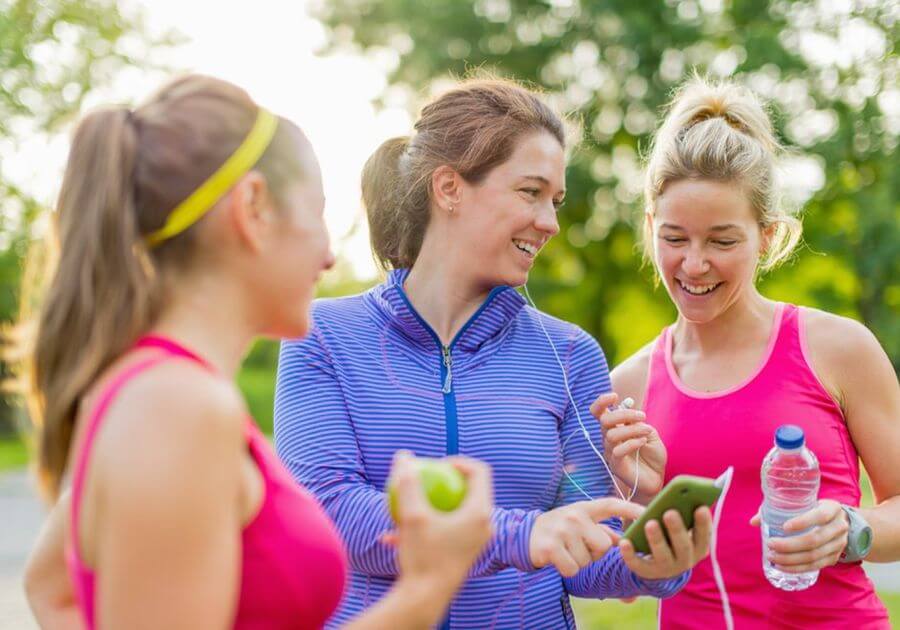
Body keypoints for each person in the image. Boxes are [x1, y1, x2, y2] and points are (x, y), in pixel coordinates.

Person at [21, 73, 495, 630]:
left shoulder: (153, 388)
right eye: (318, 214)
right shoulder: (177, 408)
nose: (327, 256)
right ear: (253, 207)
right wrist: (429, 586)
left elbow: (54, 590)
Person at [273, 77, 713, 630]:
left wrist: (650, 554)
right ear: (450, 188)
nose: (550, 223)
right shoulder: (324, 336)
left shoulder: (569, 354)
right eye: (530, 193)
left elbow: (580, 557)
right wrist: (521, 535)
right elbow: (330, 512)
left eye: (554, 201)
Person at [600, 77, 900, 628]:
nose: (694, 264)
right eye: (674, 238)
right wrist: (642, 496)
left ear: (766, 236)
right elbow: (622, 579)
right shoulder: (628, 385)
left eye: (722, 240)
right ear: (649, 229)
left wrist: (852, 529)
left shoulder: (839, 348)